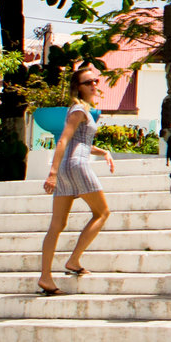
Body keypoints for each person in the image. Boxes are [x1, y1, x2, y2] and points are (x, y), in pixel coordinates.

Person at [36, 66, 116, 294]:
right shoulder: (79, 110)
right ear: (78, 87)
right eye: (88, 82)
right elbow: (63, 141)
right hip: (76, 166)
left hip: (68, 166)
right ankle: (73, 260)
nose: (94, 85)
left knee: (57, 225)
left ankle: (46, 277)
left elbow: (80, 142)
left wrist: (103, 152)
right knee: (102, 213)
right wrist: (51, 172)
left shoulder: (83, 110)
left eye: (95, 81)